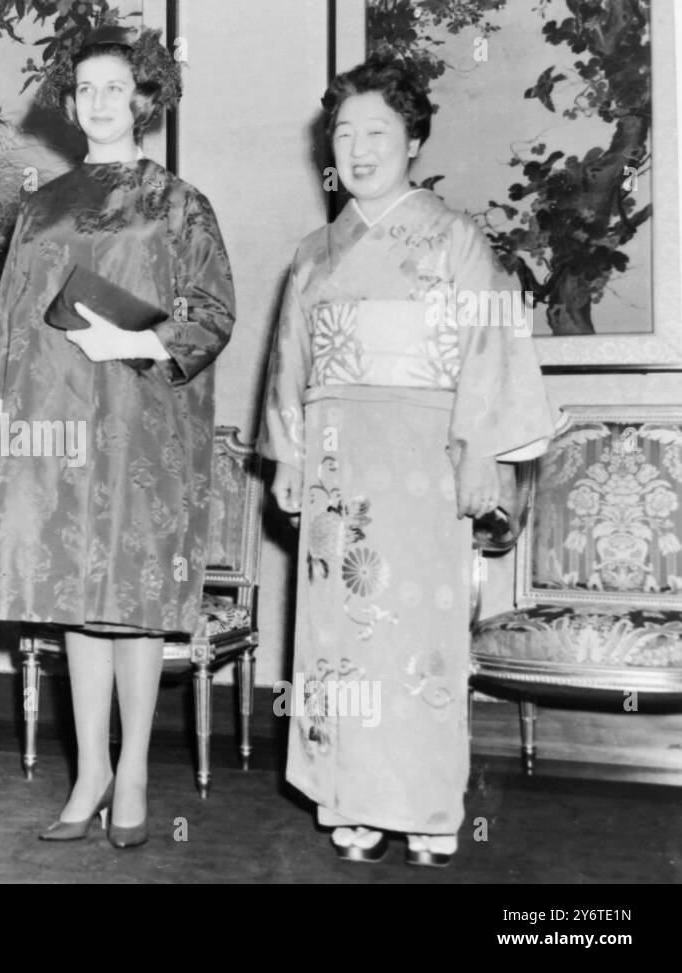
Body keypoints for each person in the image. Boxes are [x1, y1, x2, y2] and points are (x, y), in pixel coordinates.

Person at [258, 54, 555, 867]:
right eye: (344, 133)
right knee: (339, 639)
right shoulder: (314, 253)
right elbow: (291, 364)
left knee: (416, 638)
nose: (358, 149)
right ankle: (353, 800)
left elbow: (491, 351)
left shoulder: (458, 240)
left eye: (377, 132)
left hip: (424, 457)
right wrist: (286, 453)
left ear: (413, 140)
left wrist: (479, 456)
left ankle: (427, 808)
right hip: (332, 459)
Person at [0, 26, 236, 849]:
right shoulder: (42, 203)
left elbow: (213, 309)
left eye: (114, 87)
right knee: (73, 599)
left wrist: (141, 343)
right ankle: (87, 769)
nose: (97, 101)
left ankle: (134, 774)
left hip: (143, 416)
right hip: (53, 416)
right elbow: (12, 316)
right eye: (84, 88)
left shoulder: (180, 201)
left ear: (145, 97)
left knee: (135, 600)